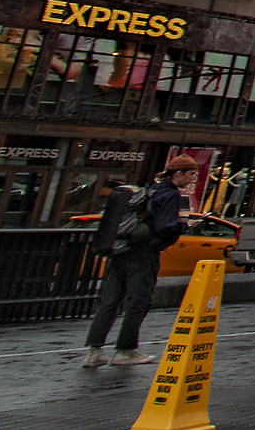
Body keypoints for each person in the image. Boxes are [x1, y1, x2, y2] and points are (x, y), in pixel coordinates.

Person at [81, 155, 196, 369]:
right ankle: (125, 351)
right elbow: (164, 227)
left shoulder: (150, 189)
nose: (192, 179)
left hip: (122, 250)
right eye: (190, 174)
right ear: (178, 173)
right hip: (143, 254)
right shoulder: (169, 194)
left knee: (110, 302)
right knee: (139, 301)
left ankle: (94, 352)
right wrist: (183, 226)